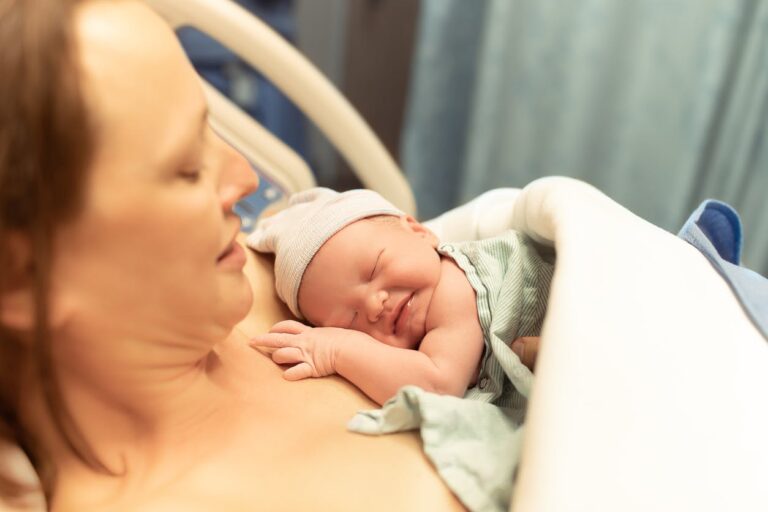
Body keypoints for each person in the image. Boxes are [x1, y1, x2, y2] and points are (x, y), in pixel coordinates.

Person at [0, 1, 465, 510]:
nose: (245, 179)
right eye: (187, 169)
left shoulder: (256, 267)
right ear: (23, 276)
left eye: (211, 130)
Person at [249, 188, 552, 406]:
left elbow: (437, 386)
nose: (373, 306)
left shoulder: (455, 286)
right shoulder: (422, 332)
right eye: (350, 321)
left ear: (419, 232)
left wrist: (338, 349)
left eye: (374, 269)